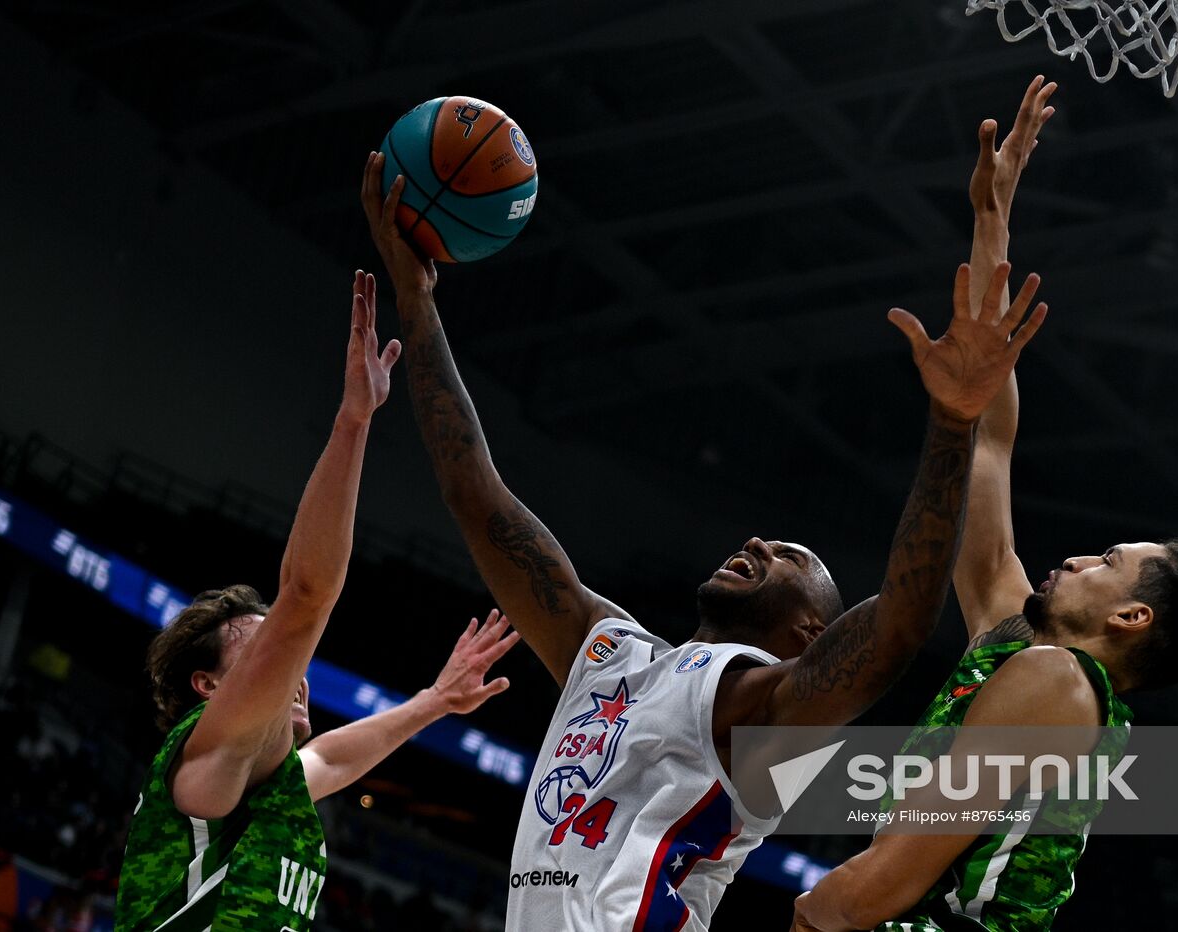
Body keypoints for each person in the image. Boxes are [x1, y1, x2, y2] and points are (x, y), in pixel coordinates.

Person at [360, 148, 1047, 930]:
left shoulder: (758, 707)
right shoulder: (603, 646)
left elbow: (896, 628)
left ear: (808, 632)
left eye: (792, 558)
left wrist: (953, 424)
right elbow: (476, 496)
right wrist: (416, 299)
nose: (759, 541)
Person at [789, 76, 1178, 932]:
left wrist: (810, 911)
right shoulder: (1027, 651)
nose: (1077, 557)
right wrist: (994, 221)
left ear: (1133, 616)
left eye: (1109, 562)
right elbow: (988, 441)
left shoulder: (1058, 682)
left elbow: (878, 889)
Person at [114, 271, 519, 932]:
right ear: (208, 684)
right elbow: (304, 597)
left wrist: (436, 701)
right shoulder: (202, 769)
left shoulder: (269, 786)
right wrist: (354, 421)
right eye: (257, 634)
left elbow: (332, 758)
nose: (290, 656)